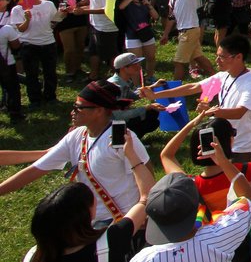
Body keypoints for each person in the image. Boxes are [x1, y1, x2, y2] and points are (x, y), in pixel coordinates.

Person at [0, 81, 151, 225]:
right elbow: (35, 170)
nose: (72, 112)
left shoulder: (124, 139)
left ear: (99, 110)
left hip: (122, 220)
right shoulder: (76, 136)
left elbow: (147, 173)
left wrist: (144, 214)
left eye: (79, 108)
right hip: (89, 221)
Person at [25, 133, 153, 262]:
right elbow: (146, 197)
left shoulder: (33, 256)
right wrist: (131, 154)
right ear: (85, 215)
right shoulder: (111, 239)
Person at [141, 35, 251, 162]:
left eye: (222, 57)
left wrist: (212, 111)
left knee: (239, 178)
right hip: (223, 139)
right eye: (217, 55)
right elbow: (193, 87)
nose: (216, 60)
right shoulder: (223, 76)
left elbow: (239, 112)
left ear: (238, 57)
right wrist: (155, 95)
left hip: (243, 143)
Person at [160, 111, 251, 243]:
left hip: (213, 242)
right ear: (228, 142)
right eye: (232, 133)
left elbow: (166, 155)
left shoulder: (189, 185)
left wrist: (192, 124)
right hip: (244, 238)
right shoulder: (249, 170)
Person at [131, 159, 251, 262]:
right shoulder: (219, 236)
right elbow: (247, 199)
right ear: (198, 208)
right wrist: (223, 161)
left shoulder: (144, 258)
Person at [159, 0, 215, 80]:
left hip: (189, 30)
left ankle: (175, 89)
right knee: (199, 58)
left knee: (178, 62)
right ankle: (217, 79)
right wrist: (166, 34)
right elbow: (171, 16)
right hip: (184, 31)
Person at [10, 0, 66, 107]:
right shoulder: (18, 9)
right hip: (29, 44)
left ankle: (50, 96)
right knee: (32, 73)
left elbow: (53, 23)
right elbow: (21, 29)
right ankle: (34, 99)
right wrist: (27, 19)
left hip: (48, 42)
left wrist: (62, 15)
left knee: (50, 72)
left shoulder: (48, 4)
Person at [78, 0, 120, 81]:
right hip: (95, 25)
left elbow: (106, 9)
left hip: (106, 27)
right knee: (93, 52)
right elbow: (94, 5)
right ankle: (94, 75)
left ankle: (118, 78)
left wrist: (85, 12)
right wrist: (82, 8)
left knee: (111, 54)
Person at [108, 52, 163, 139]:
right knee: (151, 119)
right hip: (112, 124)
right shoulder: (116, 86)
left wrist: (152, 87)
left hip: (118, 119)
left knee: (152, 114)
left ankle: (133, 139)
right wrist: (146, 107)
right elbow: (119, 116)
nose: (139, 67)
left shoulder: (123, 81)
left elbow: (133, 95)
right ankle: (128, 140)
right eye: (134, 65)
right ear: (123, 68)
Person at [116, 0, 159, 76]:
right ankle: (137, 84)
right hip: (132, 35)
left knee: (151, 57)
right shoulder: (127, 4)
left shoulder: (144, 3)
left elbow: (156, 17)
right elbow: (121, 7)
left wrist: (149, 5)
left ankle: (150, 76)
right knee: (135, 62)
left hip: (146, 33)